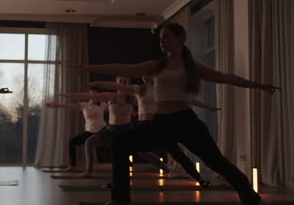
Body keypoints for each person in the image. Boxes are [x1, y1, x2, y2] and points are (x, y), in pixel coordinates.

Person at [70, 23, 280, 205]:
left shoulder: (191, 67)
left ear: (180, 39)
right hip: (161, 123)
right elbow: (122, 67)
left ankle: (252, 199)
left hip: (186, 122)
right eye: (160, 38)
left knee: (217, 162)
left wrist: (259, 86)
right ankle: (120, 199)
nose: (161, 41)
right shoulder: (156, 66)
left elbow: (225, 77)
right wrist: (89, 67)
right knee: (120, 144)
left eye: (166, 37)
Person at [88, 76, 219, 187]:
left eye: (148, 74)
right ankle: (118, 183)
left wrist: (207, 107)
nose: (144, 77)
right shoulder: (140, 89)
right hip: (142, 126)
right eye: (143, 75)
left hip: (159, 125)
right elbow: (118, 87)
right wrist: (97, 84)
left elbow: (187, 100)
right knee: (120, 150)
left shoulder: (162, 90)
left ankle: (200, 179)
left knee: (177, 153)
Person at [58, 76, 136, 178]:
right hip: (106, 129)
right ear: (115, 83)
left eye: (125, 81)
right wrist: (65, 97)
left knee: (141, 151)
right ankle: (86, 170)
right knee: (87, 143)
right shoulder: (106, 97)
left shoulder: (130, 98)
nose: (122, 83)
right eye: (120, 81)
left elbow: (141, 107)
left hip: (118, 129)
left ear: (128, 83)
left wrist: (135, 113)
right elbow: (80, 98)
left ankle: (163, 168)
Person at [45, 88, 107, 171]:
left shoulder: (103, 105)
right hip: (89, 131)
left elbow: (114, 111)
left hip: (102, 131)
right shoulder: (84, 105)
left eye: (95, 94)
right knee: (72, 142)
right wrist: (56, 105)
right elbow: (68, 105)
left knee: (106, 145)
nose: (93, 96)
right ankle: (73, 166)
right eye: (91, 94)